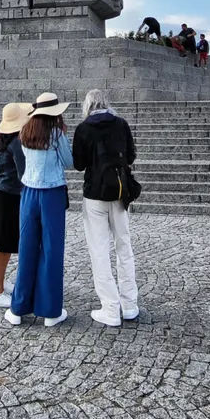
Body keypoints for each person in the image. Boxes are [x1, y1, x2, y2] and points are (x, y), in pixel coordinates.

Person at [5, 93, 73, 328]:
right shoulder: (56, 134)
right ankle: (50, 311)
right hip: (51, 193)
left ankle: (18, 308)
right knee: (52, 251)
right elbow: (69, 161)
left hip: (29, 193)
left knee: (26, 248)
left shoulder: (24, 132)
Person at [72, 90, 139, 328]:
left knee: (99, 250)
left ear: (87, 106)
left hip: (94, 195)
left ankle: (110, 307)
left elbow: (78, 164)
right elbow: (131, 155)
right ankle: (129, 304)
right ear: (106, 103)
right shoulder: (121, 124)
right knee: (124, 245)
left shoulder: (83, 129)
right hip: (120, 192)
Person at [0, 103, 32, 308]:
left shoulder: (2, 141)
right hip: (7, 194)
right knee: (3, 245)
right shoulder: (16, 143)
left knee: (3, 242)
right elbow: (23, 173)